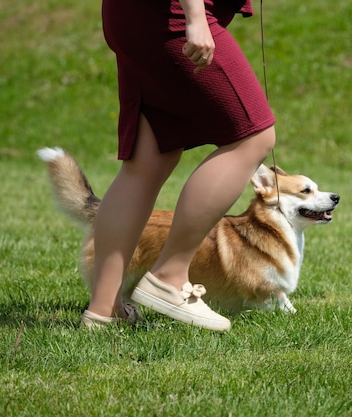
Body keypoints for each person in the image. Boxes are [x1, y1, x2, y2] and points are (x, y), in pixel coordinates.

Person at [80, 0, 276, 331]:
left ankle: (104, 309)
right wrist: (195, 17)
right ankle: (170, 277)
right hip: (170, 14)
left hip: (139, 16)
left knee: (149, 159)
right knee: (254, 137)